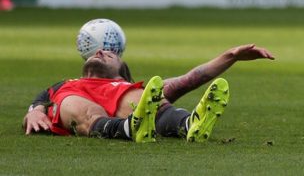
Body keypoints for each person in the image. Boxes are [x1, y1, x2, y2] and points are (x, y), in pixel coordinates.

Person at [23, 43, 275, 142]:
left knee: (144, 98)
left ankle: (190, 125)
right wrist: (34, 112)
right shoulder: (64, 84)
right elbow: (39, 102)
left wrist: (231, 56)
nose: (100, 52)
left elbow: (190, 79)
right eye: (97, 52)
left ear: (121, 72)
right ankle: (131, 128)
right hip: (78, 106)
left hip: (129, 102)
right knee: (72, 104)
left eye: (109, 54)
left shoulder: (128, 86)